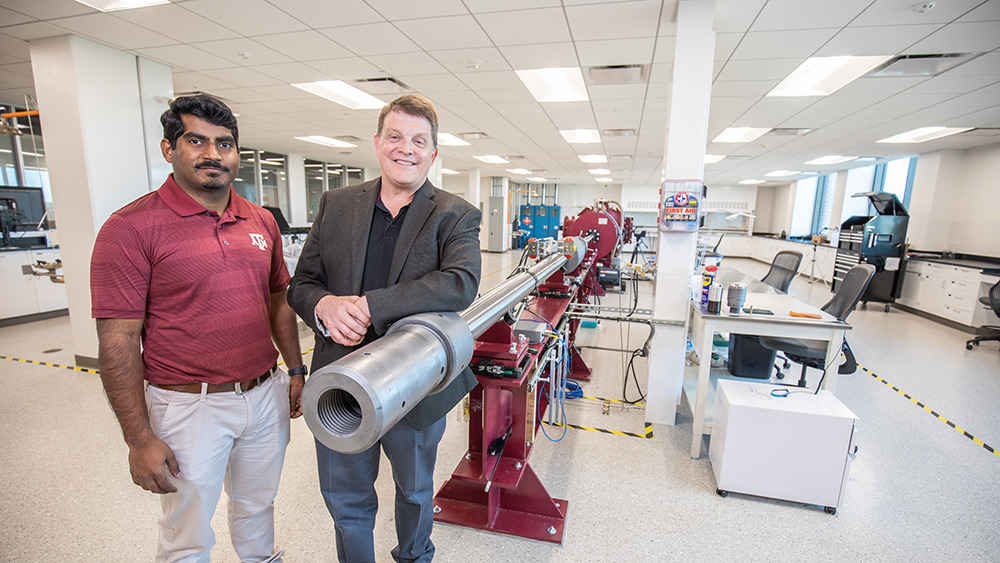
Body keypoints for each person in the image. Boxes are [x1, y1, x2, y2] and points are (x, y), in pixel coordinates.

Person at [91, 94, 306, 563]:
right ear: (169, 148)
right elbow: (118, 339)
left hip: (264, 395)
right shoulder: (130, 228)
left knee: (258, 505)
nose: (213, 154)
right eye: (196, 141)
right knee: (187, 530)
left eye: (224, 144)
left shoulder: (261, 220)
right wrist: (139, 439)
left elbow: (278, 299)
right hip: (190, 406)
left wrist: (295, 369)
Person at [287, 94, 481, 563]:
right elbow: (301, 285)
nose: (405, 148)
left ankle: (414, 556)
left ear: (433, 152)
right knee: (345, 499)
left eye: (418, 140)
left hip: (416, 384)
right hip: (340, 385)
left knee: (414, 491)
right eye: (395, 137)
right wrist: (325, 305)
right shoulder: (336, 204)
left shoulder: (454, 213)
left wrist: (372, 306)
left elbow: (460, 282)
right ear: (377, 143)